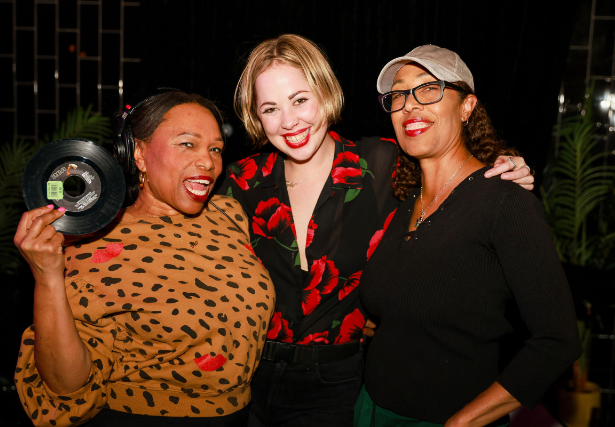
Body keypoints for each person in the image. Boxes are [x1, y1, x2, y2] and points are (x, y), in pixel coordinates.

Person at [221, 34, 534, 426]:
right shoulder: (241, 181)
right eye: (270, 108)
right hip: (244, 378)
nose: (288, 121)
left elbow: (452, 158)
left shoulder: (384, 164)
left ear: (326, 93)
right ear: (255, 117)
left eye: (300, 100)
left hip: (336, 386)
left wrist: (505, 164)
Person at [14, 90, 275, 427]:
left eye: (215, 149)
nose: (208, 162)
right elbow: (67, 385)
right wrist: (48, 276)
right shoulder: (95, 245)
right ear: (137, 153)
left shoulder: (229, 215)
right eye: (187, 144)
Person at [355, 45, 582, 426]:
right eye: (398, 95)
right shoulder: (403, 201)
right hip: (370, 409)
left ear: (467, 106)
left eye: (429, 88)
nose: (409, 105)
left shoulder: (505, 201)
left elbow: (558, 341)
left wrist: (463, 422)